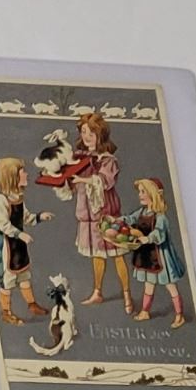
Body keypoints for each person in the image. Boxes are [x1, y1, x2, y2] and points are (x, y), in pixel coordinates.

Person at [69, 113, 131, 310]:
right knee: (97, 256)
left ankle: (127, 295)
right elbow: (72, 182)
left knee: (117, 255)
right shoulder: (79, 158)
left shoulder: (108, 160)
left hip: (106, 216)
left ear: (100, 135)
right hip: (87, 217)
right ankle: (97, 292)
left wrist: (82, 179)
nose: (87, 137)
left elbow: (104, 181)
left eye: (92, 133)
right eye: (84, 132)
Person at [0, 157, 55, 323]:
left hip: (17, 241)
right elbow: (3, 224)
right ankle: (6, 312)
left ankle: (32, 304)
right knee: (7, 278)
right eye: (22, 172)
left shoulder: (17, 197)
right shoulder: (1, 200)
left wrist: (39, 217)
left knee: (23, 274)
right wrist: (20, 235)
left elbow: (26, 217)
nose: (26, 174)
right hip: (4, 243)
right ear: (13, 176)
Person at [118, 178, 188, 328]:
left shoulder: (160, 216)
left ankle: (179, 315)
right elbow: (131, 219)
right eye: (140, 192)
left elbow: (159, 234)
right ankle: (145, 311)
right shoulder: (142, 211)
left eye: (143, 191)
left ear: (153, 194)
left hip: (161, 257)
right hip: (147, 256)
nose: (140, 195)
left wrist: (148, 238)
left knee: (170, 285)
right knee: (148, 284)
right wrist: (119, 221)